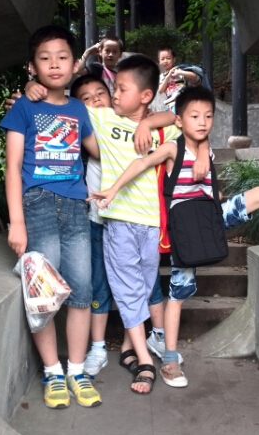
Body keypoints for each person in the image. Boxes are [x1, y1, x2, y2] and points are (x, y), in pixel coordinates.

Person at [90, 85, 259, 389]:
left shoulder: (206, 148)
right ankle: (170, 361)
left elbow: (199, 146)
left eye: (208, 116)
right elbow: (141, 162)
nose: (202, 122)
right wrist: (113, 189)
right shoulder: (173, 148)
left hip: (211, 218)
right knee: (178, 294)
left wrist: (205, 157)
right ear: (181, 120)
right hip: (186, 230)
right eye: (194, 116)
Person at [85, 55, 210, 394]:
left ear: (145, 95)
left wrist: (151, 124)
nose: (113, 94)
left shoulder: (163, 129)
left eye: (121, 89)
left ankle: (130, 347)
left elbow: (188, 123)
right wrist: (30, 91)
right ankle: (144, 360)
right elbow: (64, 108)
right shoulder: (103, 118)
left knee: (141, 287)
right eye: (114, 87)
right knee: (127, 290)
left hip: (153, 224)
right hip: (120, 222)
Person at [0, 25, 102, 410]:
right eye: (45, 58)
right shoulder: (24, 108)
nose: (54, 64)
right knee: (42, 293)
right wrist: (16, 221)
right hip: (37, 205)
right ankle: (53, 372)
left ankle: (76, 370)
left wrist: (139, 123)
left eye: (62, 57)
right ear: (32, 67)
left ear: (75, 65)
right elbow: (12, 168)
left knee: (81, 290)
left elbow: (99, 149)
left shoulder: (78, 110)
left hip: (76, 208)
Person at [68, 74, 181, 376]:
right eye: (86, 98)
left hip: (140, 217)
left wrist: (146, 122)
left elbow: (174, 117)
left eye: (101, 93)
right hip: (100, 219)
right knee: (101, 284)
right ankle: (98, 347)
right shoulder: (97, 125)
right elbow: (63, 108)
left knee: (147, 283)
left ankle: (151, 338)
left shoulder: (127, 123)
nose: (96, 100)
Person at [154, 46, 204, 112]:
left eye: (168, 58)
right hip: (170, 105)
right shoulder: (161, 77)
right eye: (162, 59)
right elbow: (160, 90)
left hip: (182, 102)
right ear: (159, 61)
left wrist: (180, 72)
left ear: (174, 59)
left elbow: (195, 77)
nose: (165, 61)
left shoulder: (179, 70)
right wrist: (168, 76)